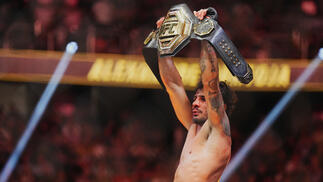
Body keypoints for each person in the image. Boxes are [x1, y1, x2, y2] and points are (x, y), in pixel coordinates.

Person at [157, 9, 237, 182]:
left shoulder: (219, 130)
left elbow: (211, 82)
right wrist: (163, 43)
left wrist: (205, 36)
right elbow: (173, 85)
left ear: (221, 106)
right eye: (195, 98)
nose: (194, 103)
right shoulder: (193, 128)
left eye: (203, 99)